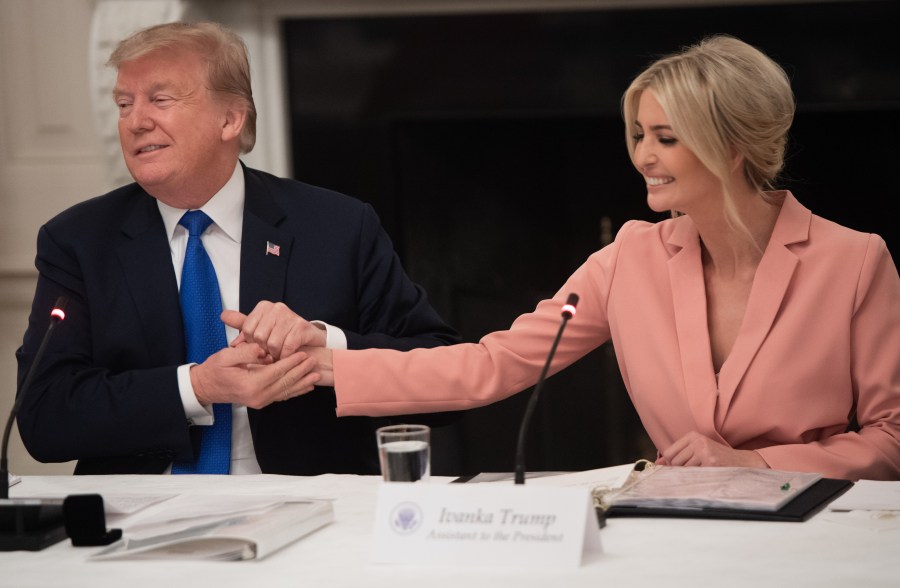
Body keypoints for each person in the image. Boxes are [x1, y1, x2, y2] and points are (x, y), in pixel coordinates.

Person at [224, 35, 900, 482]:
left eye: (666, 137)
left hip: (822, 527)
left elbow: (891, 439)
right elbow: (492, 365)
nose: (643, 156)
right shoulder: (628, 259)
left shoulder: (854, 263)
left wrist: (756, 465)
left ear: (732, 148)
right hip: (680, 528)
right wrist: (331, 364)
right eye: (639, 134)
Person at [15, 21, 459, 476]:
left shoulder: (338, 227)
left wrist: (328, 345)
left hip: (306, 504)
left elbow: (445, 380)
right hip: (138, 516)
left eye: (160, 99)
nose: (135, 121)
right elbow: (43, 417)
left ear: (231, 119)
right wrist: (197, 387)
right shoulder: (79, 240)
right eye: (124, 104)